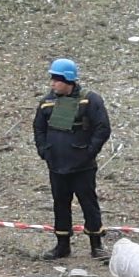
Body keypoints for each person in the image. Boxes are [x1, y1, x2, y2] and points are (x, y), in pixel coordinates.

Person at [30, 58, 112, 262]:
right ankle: (62, 245)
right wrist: (44, 151)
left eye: (56, 79)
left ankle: (96, 245)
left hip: (82, 167)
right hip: (56, 165)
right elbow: (39, 128)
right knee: (60, 204)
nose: (52, 83)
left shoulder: (91, 100)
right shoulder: (46, 102)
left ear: (68, 80)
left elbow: (102, 128)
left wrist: (89, 152)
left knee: (89, 204)